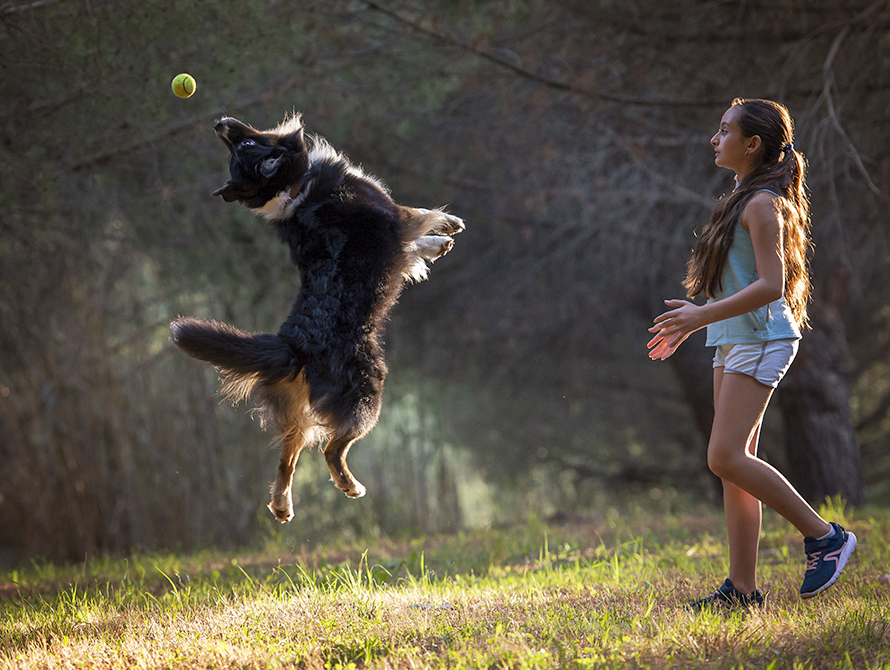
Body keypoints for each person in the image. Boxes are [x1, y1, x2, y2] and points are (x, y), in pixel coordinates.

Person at [647, 98, 856, 609]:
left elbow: (771, 285)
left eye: (724, 131)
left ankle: (825, 537)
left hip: (763, 339)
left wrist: (700, 317)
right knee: (735, 463)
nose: (714, 140)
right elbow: (739, 285)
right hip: (733, 339)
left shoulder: (764, 205)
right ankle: (741, 590)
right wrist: (697, 320)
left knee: (724, 455)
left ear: (753, 143)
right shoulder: (742, 199)